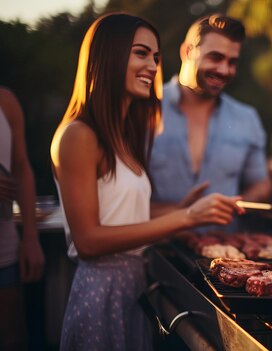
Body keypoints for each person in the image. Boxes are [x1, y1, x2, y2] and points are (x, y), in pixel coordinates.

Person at [50, 13, 243, 351]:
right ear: (108, 55)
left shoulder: (123, 134)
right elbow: (89, 240)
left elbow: (121, 213)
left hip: (136, 288)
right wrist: (186, 218)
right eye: (141, 53)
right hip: (102, 292)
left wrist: (181, 206)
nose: (153, 65)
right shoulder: (78, 134)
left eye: (155, 56)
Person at [150, 14, 271, 220]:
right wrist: (185, 211)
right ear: (187, 52)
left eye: (232, 62)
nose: (224, 70)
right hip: (155, 248)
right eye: (215, 57)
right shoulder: (143, 109)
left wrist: (236, 205)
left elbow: (261, 184)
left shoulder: (247, 118)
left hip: (225, 246)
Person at [0, 87, 45, 350]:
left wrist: (30, 237)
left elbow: (22, 168)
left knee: (14, 339)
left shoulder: (6, 102)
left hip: (5, 253)